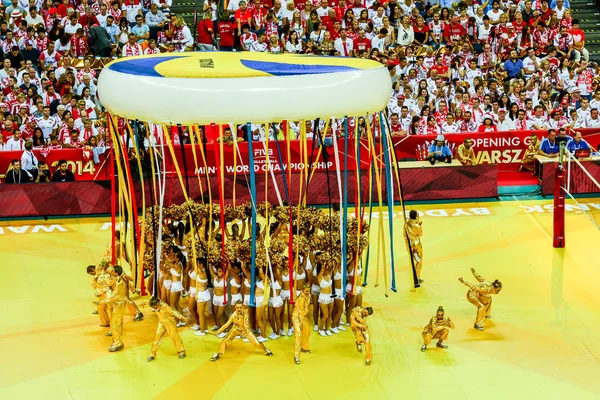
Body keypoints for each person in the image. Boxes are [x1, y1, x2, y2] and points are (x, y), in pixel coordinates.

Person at [209, 301, 274, 361]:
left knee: (256, 342)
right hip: (236, 329)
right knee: (226, 340)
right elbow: (226, 324)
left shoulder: (246, 313)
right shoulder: (233, 315)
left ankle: (266, 350)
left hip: (246, 330)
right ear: (235, 307)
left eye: (240, 307)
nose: (239, 309)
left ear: (242, 307)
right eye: (237, 307)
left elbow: (246, 323)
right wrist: (219, 331)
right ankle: (218, 354)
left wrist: (246, 330)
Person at [95, 265, 128, 351]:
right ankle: (117, 342)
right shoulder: (117, 280)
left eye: (112, 271)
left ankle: (118, 343)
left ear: (116, 273)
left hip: (119, 305)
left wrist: (101, 302)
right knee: (117, 324)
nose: (110, 271)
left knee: (114, 325)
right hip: (117, 304)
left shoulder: (120, 283)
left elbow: (114, 296)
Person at [146, 296, 189, 362]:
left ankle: (181, 352)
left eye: (154, 307)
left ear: (158, 304)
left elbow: (174, 312)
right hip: (162, 323)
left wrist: (182, 317)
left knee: (174, 337)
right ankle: (152, 354)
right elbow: (148, 301)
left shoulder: (165, 307)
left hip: (170, 323)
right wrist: (143, 302)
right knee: (157, 338)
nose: (154, 308)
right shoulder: (154, 303)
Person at [292, 283, 311, 365]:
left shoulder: (308, 296)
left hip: (303, 316)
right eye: (306, 291)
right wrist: (300, 323)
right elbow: (300, 311)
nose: (307, 292)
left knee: (307, 331)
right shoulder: (301, 298)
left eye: (308, 291)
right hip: (297, 317)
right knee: (298, 335)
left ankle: (304, 347)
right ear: (302, 291)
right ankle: (296, 356)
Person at [404, 210, 423, 283]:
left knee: (411, 259)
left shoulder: (405, 224)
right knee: (419, 260)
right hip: (416, 244)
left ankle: (414, 256)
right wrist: (420, 226)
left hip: (408, 244)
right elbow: (420, 234)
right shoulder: (417, 226)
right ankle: (417, 277)